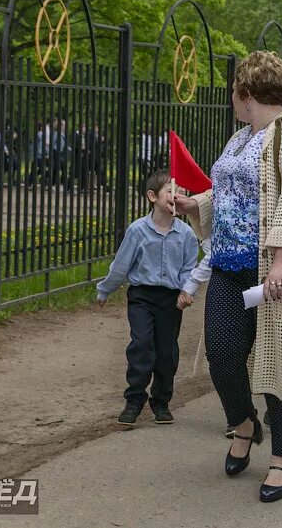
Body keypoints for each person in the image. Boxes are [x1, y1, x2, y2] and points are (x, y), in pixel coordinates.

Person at [177, 51, 282, 502]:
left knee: (281, 364)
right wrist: (195, 206)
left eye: (234, 93)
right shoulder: (241, 138)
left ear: (244, 93)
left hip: (274, 273)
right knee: (222, 353)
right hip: (227, 265)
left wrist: (281, 262)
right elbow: (230, 193)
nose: (233, 101)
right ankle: (243, 423)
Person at [96, 169, 199, 426]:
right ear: (152, 196)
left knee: (166, 352)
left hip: (171, 300)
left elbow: (189, 268)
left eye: (181, 192)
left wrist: (187, 291)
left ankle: (161, 402)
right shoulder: (138, 230)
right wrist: (105, 289)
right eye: (170, 191)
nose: (176, 196)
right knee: (141, 345)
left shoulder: (186, 235)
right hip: (142, 296)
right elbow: (121, 264)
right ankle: (134, 401)